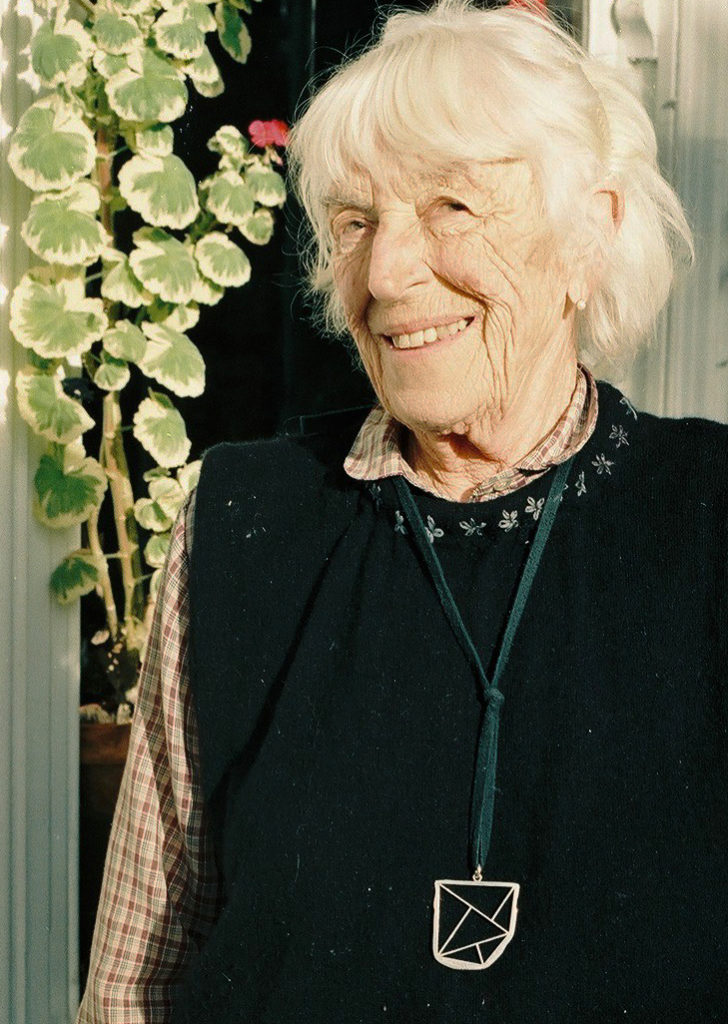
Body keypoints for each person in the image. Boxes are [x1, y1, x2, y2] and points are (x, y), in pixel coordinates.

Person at [78, 2, 728, 1021]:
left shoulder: (706, 520)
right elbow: (138, 974)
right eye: (352, 222)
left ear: (587, 233)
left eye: (451, 209)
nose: (385, 275)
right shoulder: (245, 520)